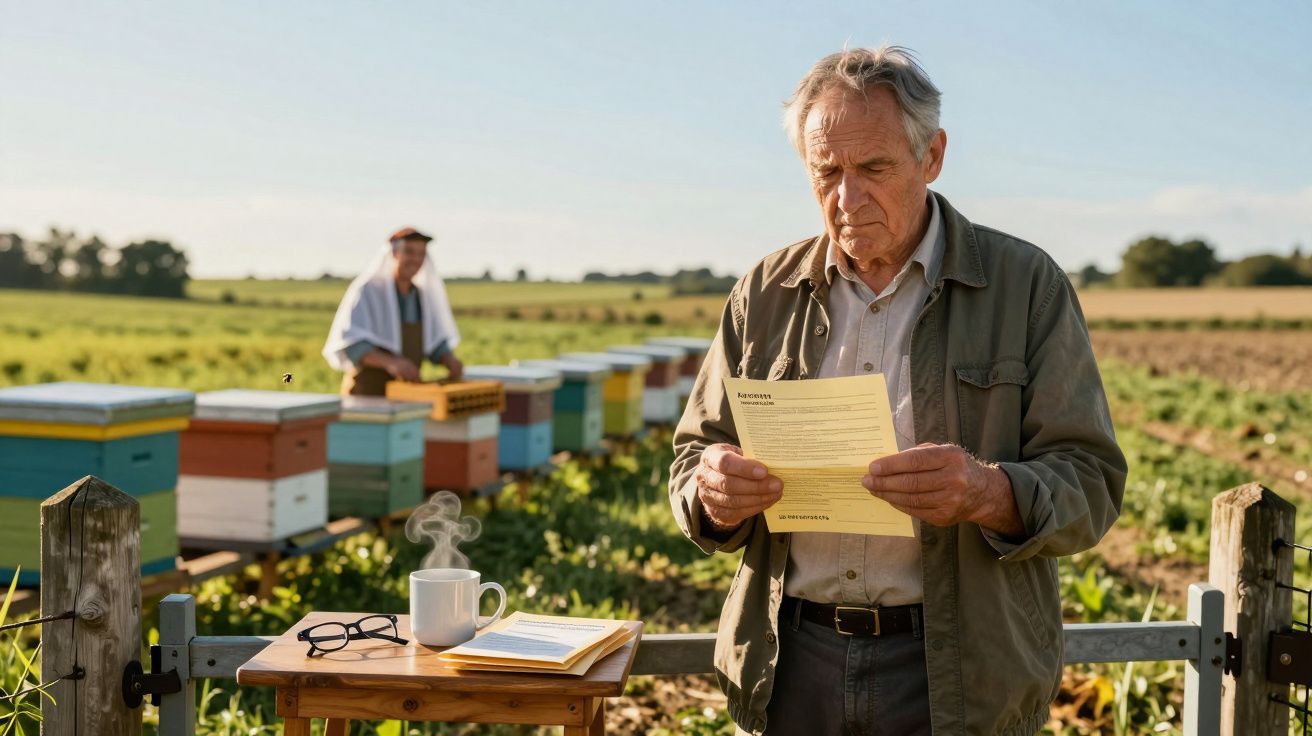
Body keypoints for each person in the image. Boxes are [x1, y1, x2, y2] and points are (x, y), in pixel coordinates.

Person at [669, 46, 1126, 736]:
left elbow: (1091, 482)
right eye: (827, 171)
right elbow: (692, 457)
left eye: (874, 168)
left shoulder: (1026, 285)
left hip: (959, 671)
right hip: (790, 663)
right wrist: (712, 493)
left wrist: (987, 491)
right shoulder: (763, 292)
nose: (847, 198)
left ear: (931, 156)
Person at [323, 227, 464, 396]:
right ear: (394, 253)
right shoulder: (368, 291)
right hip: (367, 392)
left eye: (421, 254)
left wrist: (448, 359)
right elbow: (351, 345)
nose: (415, 259)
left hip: (405, 392)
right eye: (409, 252)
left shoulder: (422, 298)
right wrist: (391, 362)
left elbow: (432, 341)